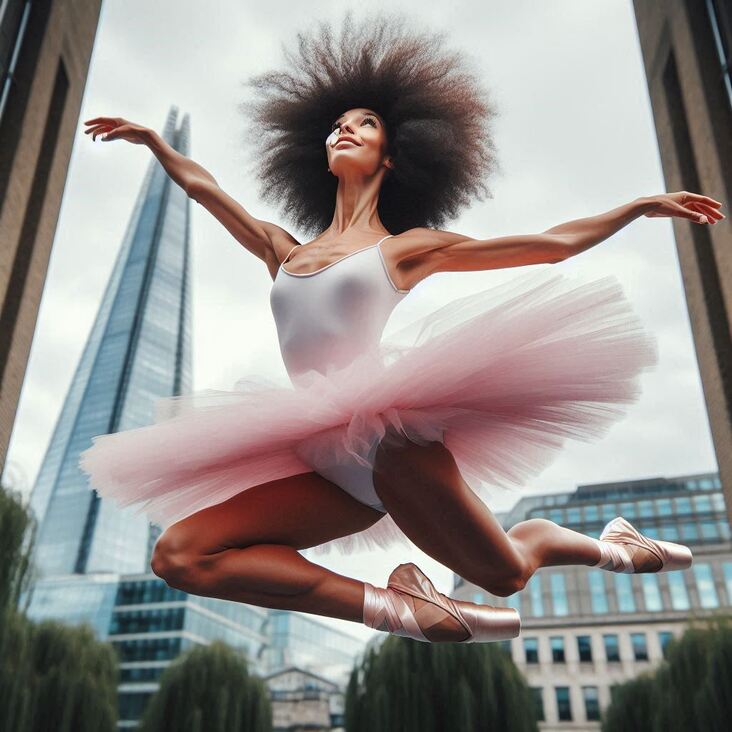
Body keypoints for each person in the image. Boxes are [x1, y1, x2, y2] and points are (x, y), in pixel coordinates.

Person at [79, 12, 724, 644]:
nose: (345, 131)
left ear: (392, 155)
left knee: (505, 575)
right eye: (336, 126)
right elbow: (206, 189)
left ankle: (606, 545)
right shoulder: (284, 251)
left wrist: (638, 206)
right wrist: (156, 142)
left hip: (392, 440)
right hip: (324, 456)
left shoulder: (404, 249)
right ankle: (395, 608)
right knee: (181, 556)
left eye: (365, 124)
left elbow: (549, 244)